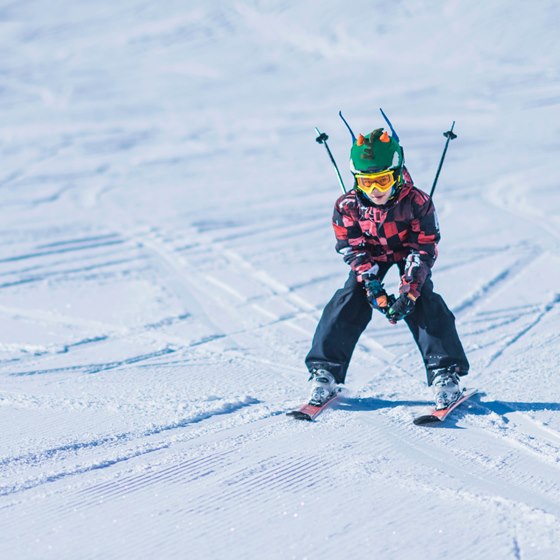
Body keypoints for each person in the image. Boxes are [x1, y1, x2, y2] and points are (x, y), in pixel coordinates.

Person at [305, 126, 469, 410]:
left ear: (396, 173)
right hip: (371, 254)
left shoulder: (417, 202)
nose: (376, 190)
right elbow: (352, 247)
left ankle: (445, 372)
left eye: (382, 180)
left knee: (424, 302)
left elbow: (424, 247)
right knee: (349, 298)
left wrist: (410, 290)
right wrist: (372, 286)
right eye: (366, 182)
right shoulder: (348, 206)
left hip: (408, 252)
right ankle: (326, 371)